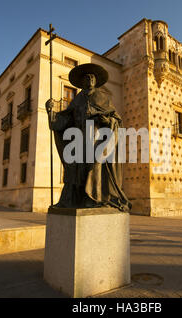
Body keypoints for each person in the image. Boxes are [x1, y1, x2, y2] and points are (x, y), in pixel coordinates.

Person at [45, 63, 131, 212]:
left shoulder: (102, 97)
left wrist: (106, 120)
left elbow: (116, 119)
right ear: (83, 82)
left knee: (95, 164)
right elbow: (66, 118)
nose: (90, 78)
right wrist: (51, 112)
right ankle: (70, 200)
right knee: (74, 168)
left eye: (92, 77)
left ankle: (95, 198)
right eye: (87, 77)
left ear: (96, 81)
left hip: (97, 138)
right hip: (79, 138)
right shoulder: (77, 99)